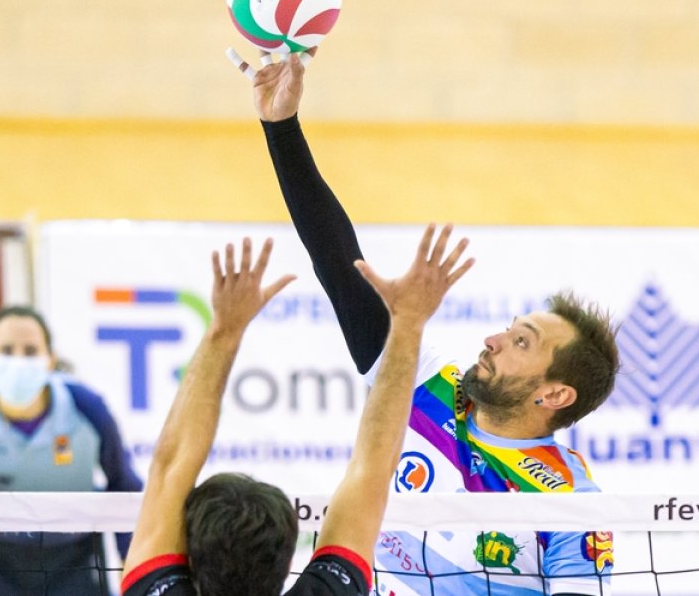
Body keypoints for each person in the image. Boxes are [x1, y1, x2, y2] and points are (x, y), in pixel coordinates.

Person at [229, 48, 620, 595]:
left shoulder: (570, 503)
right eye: (508, 329)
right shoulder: (426, 382)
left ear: (555, 394)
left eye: (519, 342)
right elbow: (339, 264)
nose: (492, 340)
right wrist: (282, 127)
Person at [121, 228, 473, 596]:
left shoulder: (153, 590)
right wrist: (408, 326)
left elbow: (170, 461)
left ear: (187, 554)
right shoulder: (328, 591)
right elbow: (372, 467)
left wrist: (224, 331)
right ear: (290, 559)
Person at [0, 304, 143, 595]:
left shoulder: (87, 408)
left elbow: (124, 487)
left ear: (49, 359)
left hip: (74, 558)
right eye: (6, 350)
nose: (18, 361)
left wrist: (133, 568)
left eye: (30, 351)